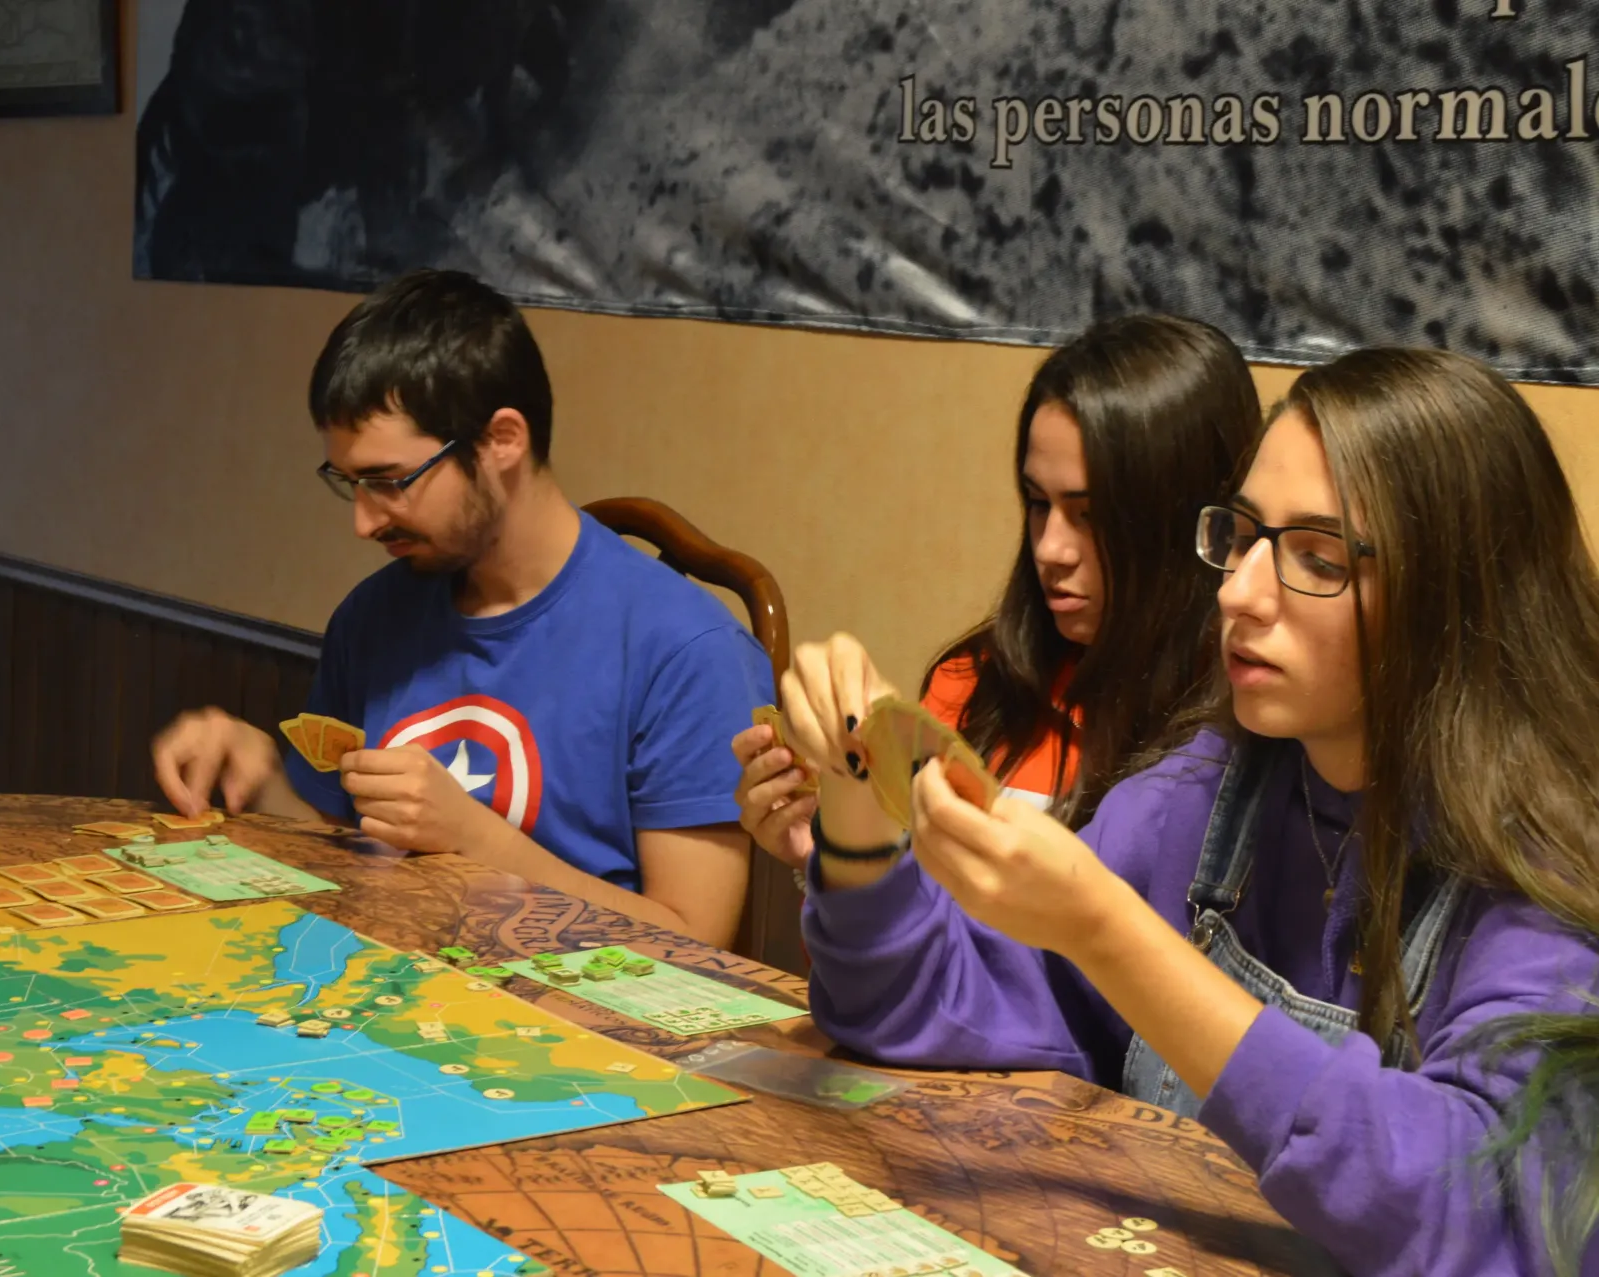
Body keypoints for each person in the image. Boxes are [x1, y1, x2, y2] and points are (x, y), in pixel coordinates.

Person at [795, 348, 1599, 1275]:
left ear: (1456, 596)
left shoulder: (1549, 868)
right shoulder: (1206, 789)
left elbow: (1482, 1216)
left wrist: (1111, 932)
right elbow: (905, 1007)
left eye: (1316, 558)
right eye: (1244, 536)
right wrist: (856, 796)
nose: (1238, 592)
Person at [152, 269, 772, 947]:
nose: (364, 522)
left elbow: (696, 948)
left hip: (582, 1030)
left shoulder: (688, 648)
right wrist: (261, 774)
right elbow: (345, 854)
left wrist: (475, 839)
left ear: (502, 439)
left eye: (390, 482)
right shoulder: (373, 615)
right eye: (349, 483)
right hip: (383, 997)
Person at [733, 314, 1262, 869]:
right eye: (1038, 504)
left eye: (1093, 515)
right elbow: (921, 935)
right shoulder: (978, 689)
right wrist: (835, 851)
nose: (1050, 549)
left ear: (1201, 525)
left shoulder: (1249, 728)